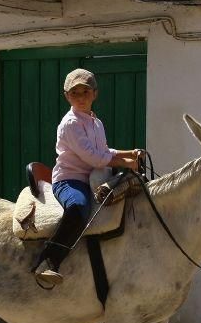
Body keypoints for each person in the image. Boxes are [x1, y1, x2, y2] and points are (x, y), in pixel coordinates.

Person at [32, 69, 143, 288]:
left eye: (85, 91)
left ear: (95, 94)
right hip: (71, 180)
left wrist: (128, 153)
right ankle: (47, 261)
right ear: (67, 97)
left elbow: (102, 150)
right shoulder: (70, 124)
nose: (81, 97)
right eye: (75, 93)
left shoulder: (95, 122)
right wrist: (124, 162)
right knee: (77, 206)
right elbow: (93, 157)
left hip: (92, 177)